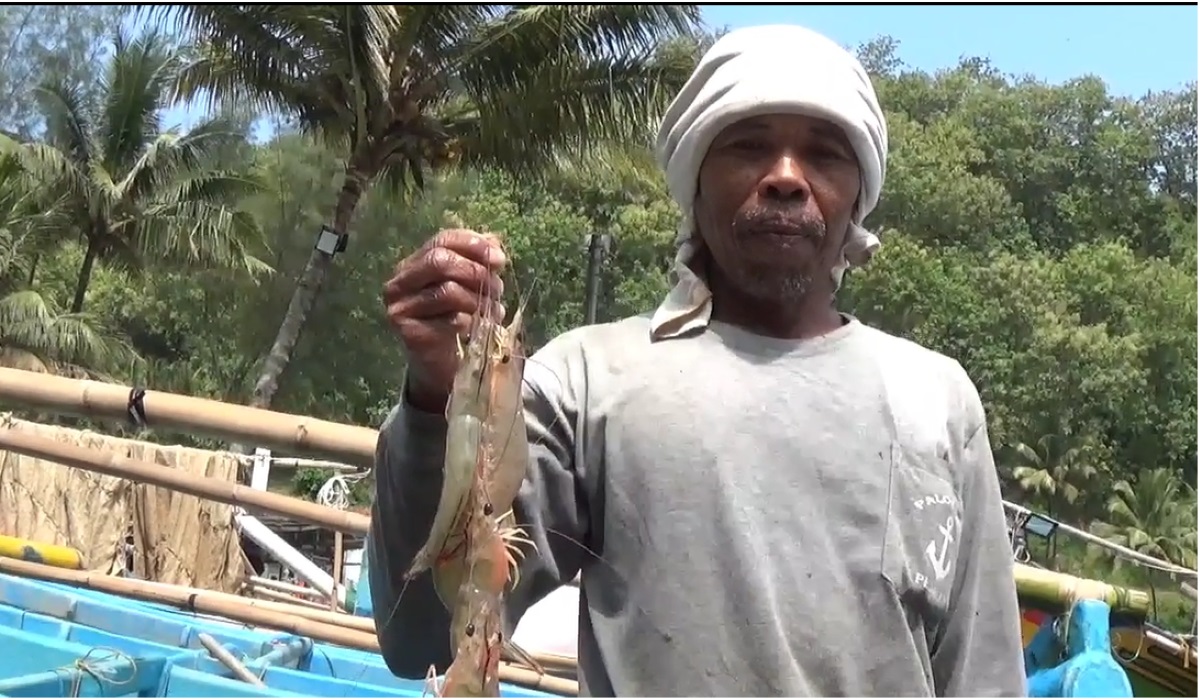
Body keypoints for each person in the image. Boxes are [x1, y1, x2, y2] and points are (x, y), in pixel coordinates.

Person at [370, 24, 1026, 697]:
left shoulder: (936, 399)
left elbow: (986, 679)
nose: (786, 179)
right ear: (697, 178)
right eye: (749, 145)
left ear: (857, 193)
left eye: (825, 154)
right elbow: (422, 631)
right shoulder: (587, 384)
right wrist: (437, 399)